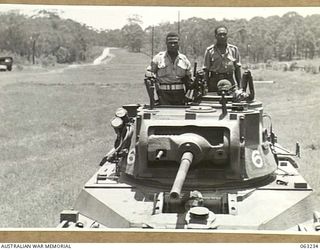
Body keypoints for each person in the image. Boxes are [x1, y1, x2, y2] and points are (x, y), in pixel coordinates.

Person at [149, 32, 192, 105]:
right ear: (166, 43)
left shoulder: (184, 59)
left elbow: (190, 80)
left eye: (175, 43)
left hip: (180, 94)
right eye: (170, 43)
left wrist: (188, 95)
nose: (173, 45)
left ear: (179, 43)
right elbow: (149, 73)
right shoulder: (158, 58)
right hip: (163, 94)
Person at [203, 25, 241, 92]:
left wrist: (240, 86)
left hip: (230, 82)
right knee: (213, 102)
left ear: (227, 36)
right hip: (214, 83)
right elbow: (206, 70)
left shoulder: (234, 50)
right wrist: (205, 86)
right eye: (220, 34)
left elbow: (237, 69)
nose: (222, 37)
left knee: (231, 101)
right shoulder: (209, 51)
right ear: (216, 36)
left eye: (224, 34)